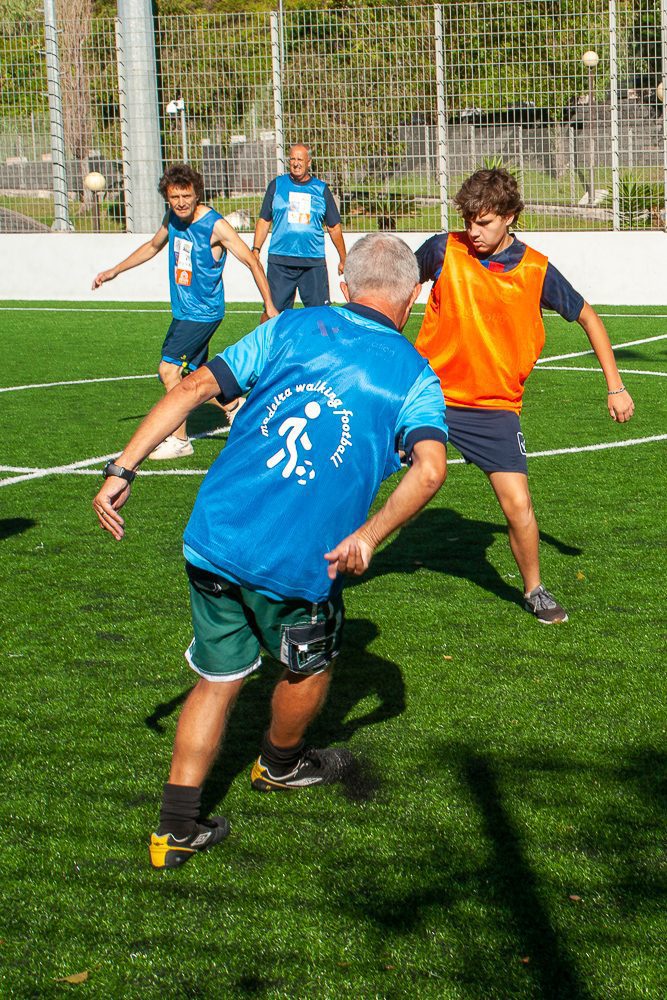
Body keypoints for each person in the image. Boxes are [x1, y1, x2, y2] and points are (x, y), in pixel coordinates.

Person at [92, 233, 448, 870]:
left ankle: (173, 830)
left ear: (343, 283)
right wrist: (368, 537)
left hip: (213, 536)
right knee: (308, 665)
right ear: (415, 295)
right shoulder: (415, 374)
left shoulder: (287, 328)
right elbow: (429, 470)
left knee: (215, 681)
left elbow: (194, 387)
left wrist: (124, 467)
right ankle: (280, 766)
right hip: (294, 564)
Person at [415, 168, 634, 624]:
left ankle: (534, 589)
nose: (473, 231)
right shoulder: (442, 249)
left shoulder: (536, 270)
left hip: (493, 408)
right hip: (427, 393)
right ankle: (315, 559)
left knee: (518, 505)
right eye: (468, 219)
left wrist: (615, 386)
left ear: (510, 217)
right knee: (359, 466)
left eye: (485, 222)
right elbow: (395, 288)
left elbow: (589, 317)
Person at [92, 163, 277, 460]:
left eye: (186, 196)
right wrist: (115, 270)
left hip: (202, 314)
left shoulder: (215, 226)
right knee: (194, 376)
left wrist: (269, 305)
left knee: (169, 371)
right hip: (184, 312)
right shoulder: (173, 219)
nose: (181, 203)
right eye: (174, 197)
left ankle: (179, 440)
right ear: (167, 197)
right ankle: (234, 406)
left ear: (197, 194)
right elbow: (153, 246)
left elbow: (252, 262)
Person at [252, 143, 346, 314]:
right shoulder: (277, 186)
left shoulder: (321, 189)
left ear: (309, 162)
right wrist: (256, 249)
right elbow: (264, 221)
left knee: (320, 314)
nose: (296, 163)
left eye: (300, 159)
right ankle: (266, 340)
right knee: (272, 312)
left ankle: (320, 342)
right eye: (292, 159)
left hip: (312, 262)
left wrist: (343, 258)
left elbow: (334, 227)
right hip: (280, 261)